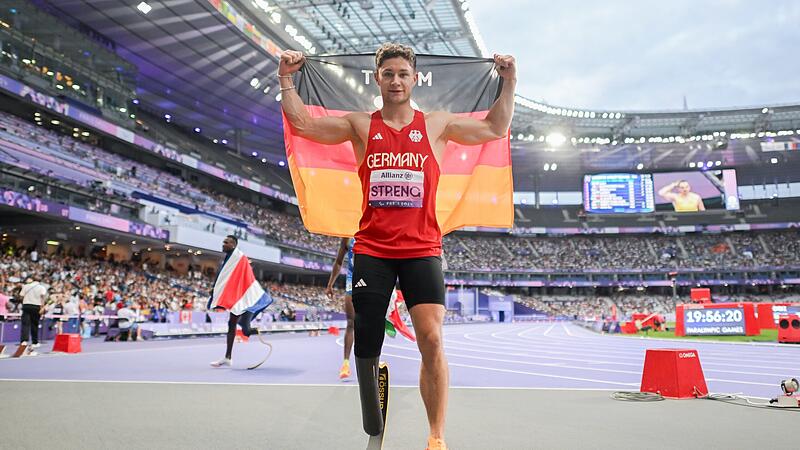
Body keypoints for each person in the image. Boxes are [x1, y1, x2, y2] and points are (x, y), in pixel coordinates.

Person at [279, 43, 516, 449]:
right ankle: (372, 418)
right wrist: (286, 77)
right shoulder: (360, 125)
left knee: (432, 339)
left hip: (422, 248)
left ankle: (436, 435)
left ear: (414, 78)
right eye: (388, 73)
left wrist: (509, 81)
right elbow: (302, 124)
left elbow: (495, 127)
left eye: (403, 74)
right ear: (377, 78)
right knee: (366, 336)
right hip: (373, 249)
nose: (395, 81)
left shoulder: (436, 125)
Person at [209, 235, 272, 368]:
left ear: (233, 245)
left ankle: (256, 330)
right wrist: (216, 291)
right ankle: (228, 357)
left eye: (226, 242)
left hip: (247, 300)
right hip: (239, 299)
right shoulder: (229, 260)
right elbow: (227, 280)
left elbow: (245, 280)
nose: (223, 244)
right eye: (223, 241)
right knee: (232, 324)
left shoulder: (239, 258)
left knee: (245, 331)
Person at [326, 237, 356, 379]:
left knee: (370, 324)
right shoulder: (347, 237)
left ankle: (370, 363)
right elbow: (338, 262)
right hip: (352, 281)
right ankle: (345, 364)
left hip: (371, 281)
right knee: (351, 323)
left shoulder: (373, 230)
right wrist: (330, 284)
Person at [19, 277, 48, 355]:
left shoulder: (26, 286)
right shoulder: (41, 287)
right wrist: (42, 307)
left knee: (25, 324)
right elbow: (42, 297)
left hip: (26, 305)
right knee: (34, 324)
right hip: (36, 306)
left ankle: (24, 341)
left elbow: (21, 296)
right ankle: (35, 342)